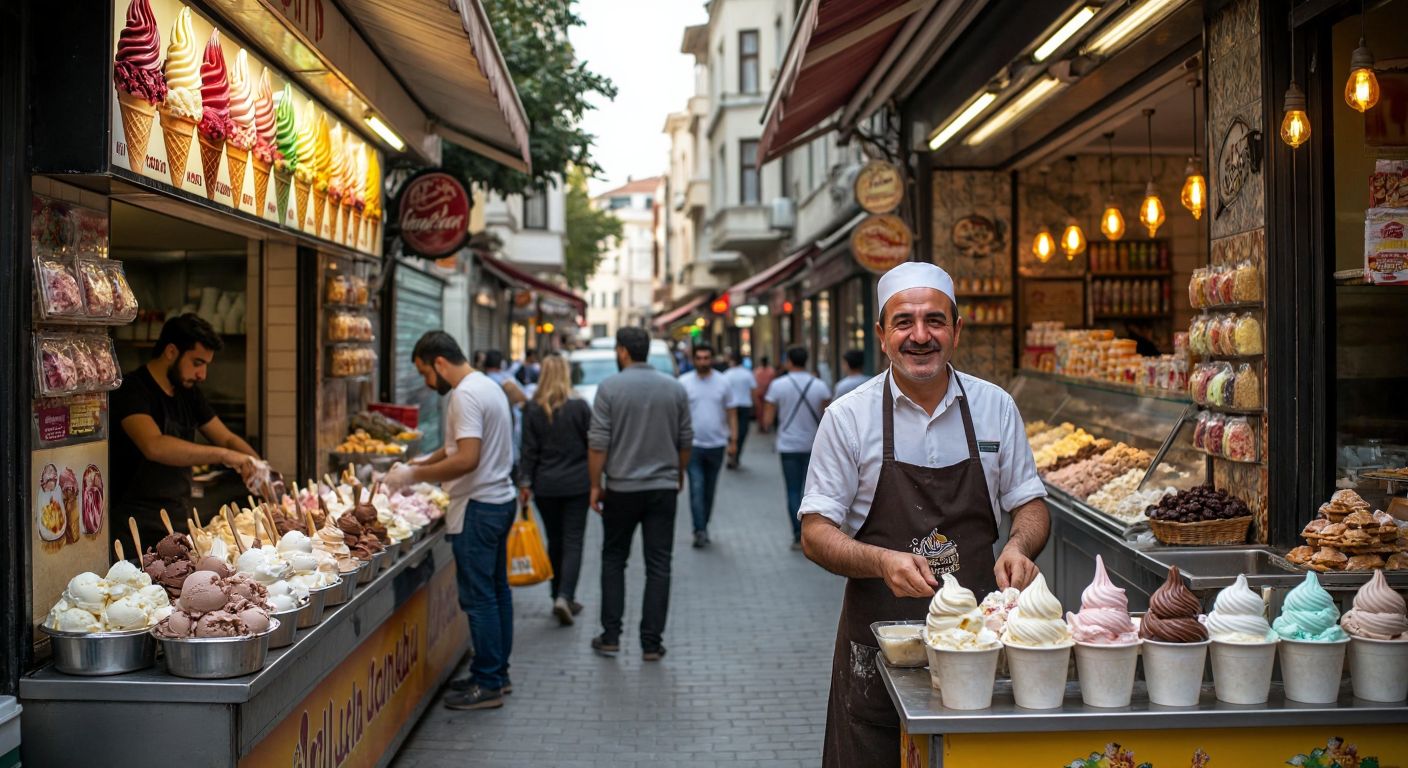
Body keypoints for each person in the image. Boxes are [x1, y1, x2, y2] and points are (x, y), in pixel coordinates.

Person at [798, 263, 1050, 765]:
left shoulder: (995, 407)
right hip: (879, 647)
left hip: (978, 645)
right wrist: (880, 561)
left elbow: (1029, 503)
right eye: (903, 322)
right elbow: (815, 532)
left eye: (934, 320)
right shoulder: (848, 418)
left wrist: (1020, 546)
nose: (920, 335)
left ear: (956, 330)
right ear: (881, 335)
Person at [385, 331, 517, 710]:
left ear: (439, 363)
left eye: (425, 372)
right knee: (496, 592)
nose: (427, 383)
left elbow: (467, 458)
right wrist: (421, 462)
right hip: (498, 502)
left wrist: (411, 478)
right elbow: (456, 446)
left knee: (479, 599)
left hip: (478, 506)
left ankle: (489, 682)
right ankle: (496, 673)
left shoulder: (464, 394)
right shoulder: (487, 386)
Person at [110, 313, 261, 546]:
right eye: (197, 363)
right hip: (133, 526)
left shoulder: (188, 393)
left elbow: (227, 439)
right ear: (171, 352)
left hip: (177, 518)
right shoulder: (132, 390)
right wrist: (223, 455)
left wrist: (261, 469)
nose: (202, 375)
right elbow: (154, 445)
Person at [588, 327, 692, 661]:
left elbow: (598, 442)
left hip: (621, 487)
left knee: (614, 559)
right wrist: (678, 472)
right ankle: (651, 642)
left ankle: (611, 636)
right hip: (662, 489)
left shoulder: (609, 388)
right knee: (659, 564)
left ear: (622, 352)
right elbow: (686, 438)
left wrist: (595, 484)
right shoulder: (674, 388)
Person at [519, 354, 591, 626]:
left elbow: (528, 451)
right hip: (577, 484)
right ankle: (565, 595)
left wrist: (524, 484)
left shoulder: (533, 409)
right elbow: (592, 446)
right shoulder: (580, 407)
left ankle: (556, 594)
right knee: (573, 541)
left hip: (546, 485)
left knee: (555, 539)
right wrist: (598, 481)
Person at [762, 346, 831, 550]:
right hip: (814, 444)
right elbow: (828, 416)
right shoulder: (819, 385)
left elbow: (767, 419)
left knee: (793, 490)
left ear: (789, 361)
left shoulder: (778, 385)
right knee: (811, 491)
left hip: (788, 445)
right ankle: (812, 532)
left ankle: (797, 534)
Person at [677, 343, 736, 548]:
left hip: (717, 444)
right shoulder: (683, 383)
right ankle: (699, 530)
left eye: (706, 357)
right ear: (693, 359)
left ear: (712, 359)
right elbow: (678, 416)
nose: (703, 361)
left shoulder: (723, 382)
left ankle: (704, 524)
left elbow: (731, 412)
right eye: (699, 358)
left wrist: (733, 440)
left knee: (709, 490)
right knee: (696, 487)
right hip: (692, 445)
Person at [721, 351, 757, 469]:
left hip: (730, 407)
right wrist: (755, 406)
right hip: (744, 406)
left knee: (730, 430)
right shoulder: (748, 374)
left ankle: (731, 451)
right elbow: (753, 391)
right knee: (742, 432)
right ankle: (736, 454)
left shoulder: (726, 374)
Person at [751, 356, 776, 432]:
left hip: (762, 393)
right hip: (766, 393)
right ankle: (764, 426)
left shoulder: (757, 371)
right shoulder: (771, 371)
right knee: (763, 410)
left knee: (761, 410)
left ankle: (763, 426)